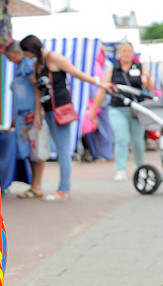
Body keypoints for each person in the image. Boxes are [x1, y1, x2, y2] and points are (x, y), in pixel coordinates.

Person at [19, 34, 111, 200]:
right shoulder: (37, 64)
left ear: (30, 49)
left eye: (25, 51)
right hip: (47, 112)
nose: (24, 55)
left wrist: (98, 83)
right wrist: (38, 113)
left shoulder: (53, 58)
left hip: (60, 110)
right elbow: (38, 90)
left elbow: (75, 72)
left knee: (63, 150)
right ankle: (62, 189)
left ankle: (64, 189)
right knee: (59, 148)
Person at [88, 42, 154, 181]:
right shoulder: (112, 69)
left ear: (133, 53)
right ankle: (121, 170)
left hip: (136, 108)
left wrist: (147, 80)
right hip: (117, 108)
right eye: (123, 51)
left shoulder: (141, 67)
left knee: (137, 140)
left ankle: (140, 168)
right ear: (119, 53)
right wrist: (94, 109)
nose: (126, 54)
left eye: (129, 51)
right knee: (121, 138)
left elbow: (150, 89)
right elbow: (103, 89)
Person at [2, 41, 45, 198]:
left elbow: (37, 88)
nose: (9, 61)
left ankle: (37, 186)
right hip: (22, 116)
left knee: (37, 150)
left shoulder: (29, 65)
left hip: (31, 115)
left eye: (9, 57)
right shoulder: (20, 67)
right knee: (29, 151)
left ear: (15, 53)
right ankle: (34, 185)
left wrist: (38, 112)